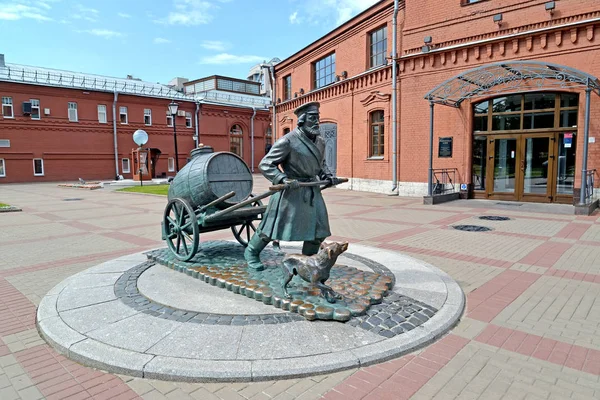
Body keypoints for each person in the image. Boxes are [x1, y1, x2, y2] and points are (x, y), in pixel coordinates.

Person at [244, 101, 342, 270]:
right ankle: (251, 251)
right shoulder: (288, 141)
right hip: (291, 191)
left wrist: (327, 176)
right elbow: (266, 164)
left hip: (312, 190)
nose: (316, 122)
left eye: (317, 117)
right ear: (301, 120)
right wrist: (282, 179)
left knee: (318, 230)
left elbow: (321, 163)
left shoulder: (320, 141)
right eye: (312, 118)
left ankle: (307, 262)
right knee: (272, 227)